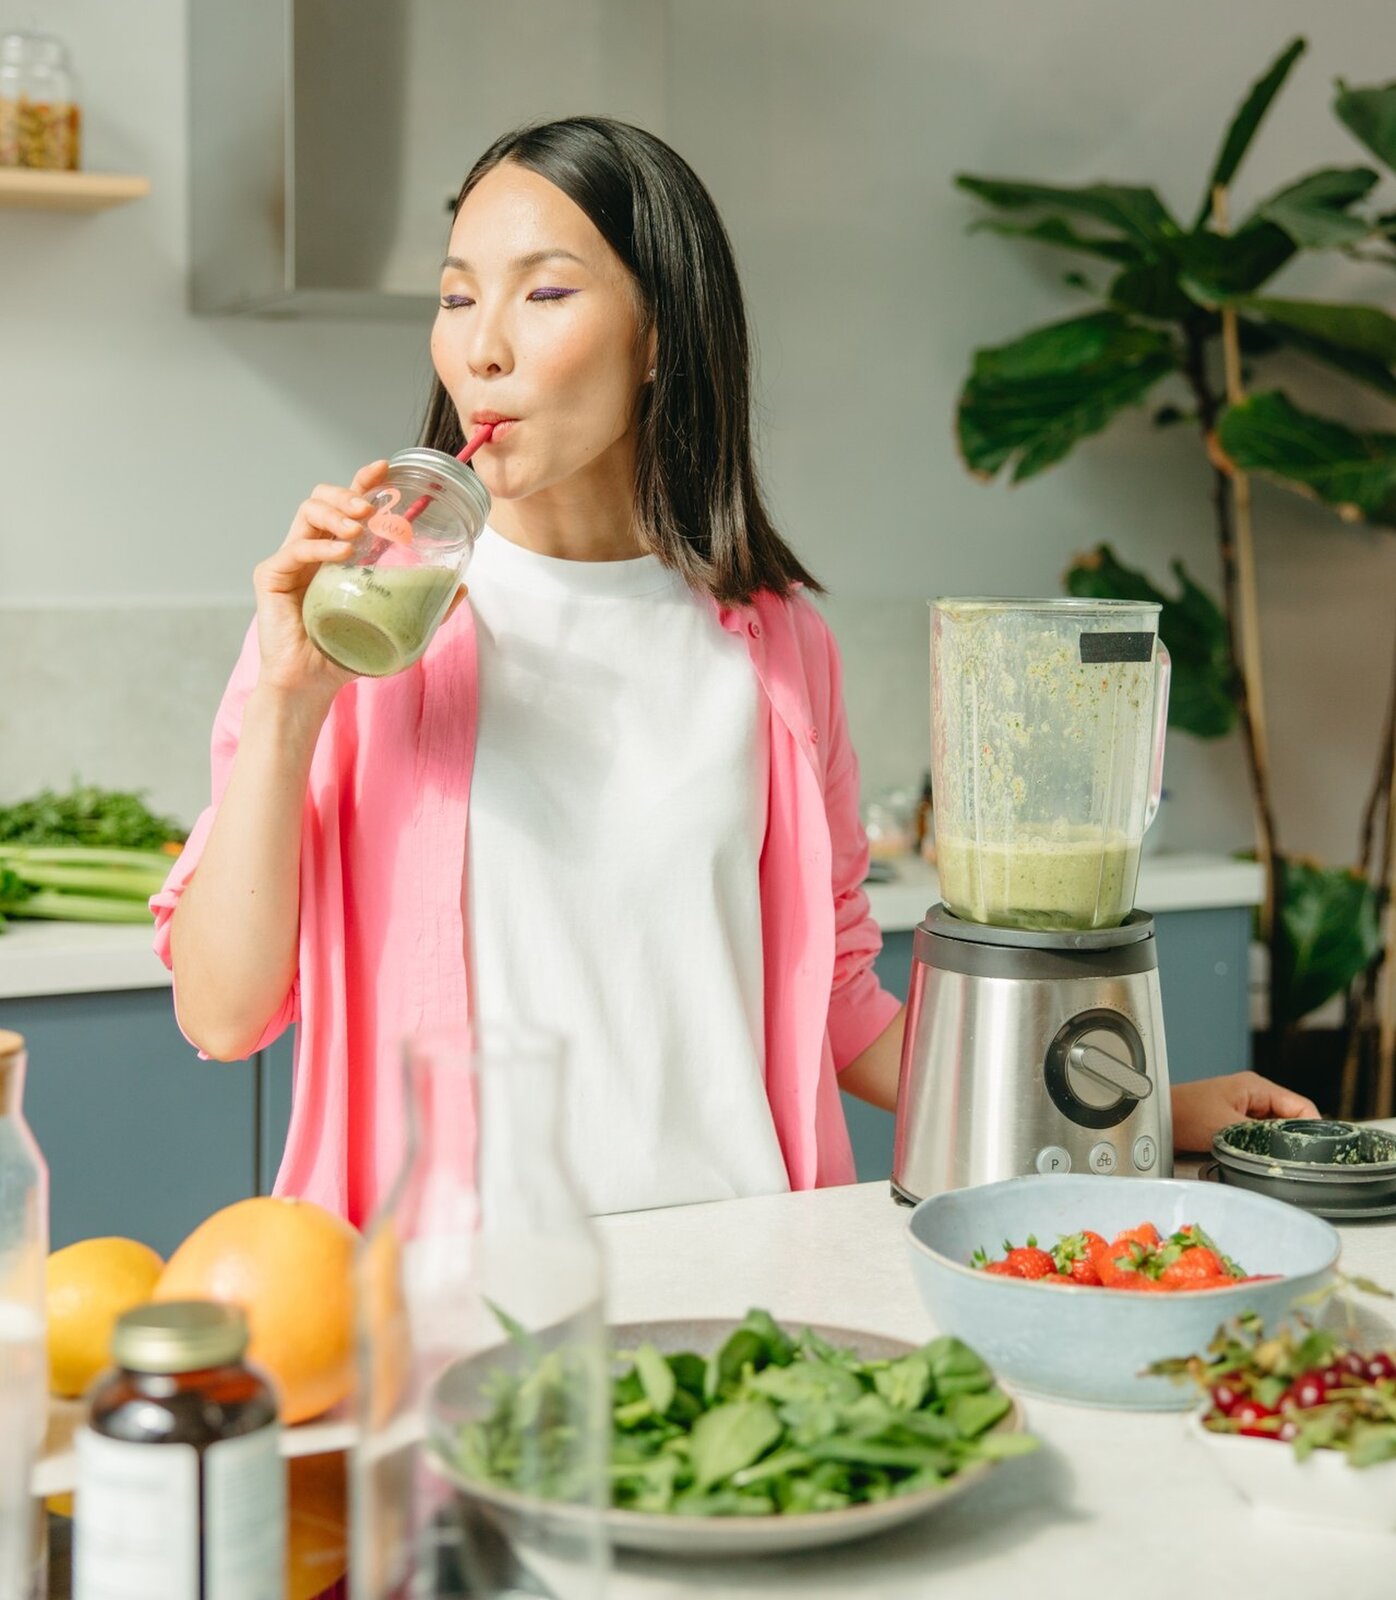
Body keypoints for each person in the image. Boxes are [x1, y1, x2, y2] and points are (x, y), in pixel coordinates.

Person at [152, 117, 1316, 1227]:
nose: (481, 344)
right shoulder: (363, 632)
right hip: (470, 1298)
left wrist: (1141, 1114)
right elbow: (223, 1010)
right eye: (456, 295)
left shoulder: (776, 644)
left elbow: (846, 1010)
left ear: (660, 335)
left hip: (748, 1274)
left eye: (543, 291)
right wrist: (290, 702)